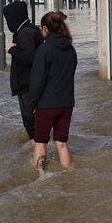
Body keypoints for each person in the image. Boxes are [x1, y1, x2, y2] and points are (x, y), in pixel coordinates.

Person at [28, 11, 78, 170]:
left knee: (40, 143)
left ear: (44, 29)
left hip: (46, 105)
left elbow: (37, 81)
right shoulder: (71, 49)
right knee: (61, 143)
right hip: (66, 103)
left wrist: (32, 104)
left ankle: (40, 179)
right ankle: (68, 176)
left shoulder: (44, 50)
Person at [4, 1, 44, 142]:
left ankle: (37, 157)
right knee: (35, 124)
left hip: (27, 86)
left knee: (31, 126)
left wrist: (12, 49)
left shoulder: (25, 33)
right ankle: (38, 153)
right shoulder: (28, 30)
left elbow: (29, 58)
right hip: (30, 84)